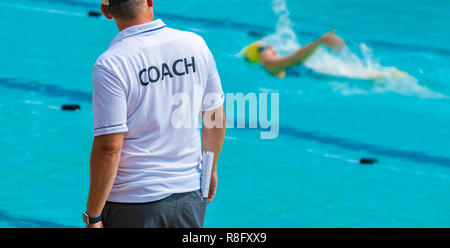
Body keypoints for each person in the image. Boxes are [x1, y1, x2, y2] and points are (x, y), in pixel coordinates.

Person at [84, 0, 226, 228]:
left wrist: (93, 216)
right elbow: (215, 118)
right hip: (189, 194)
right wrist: (210, 170)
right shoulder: (194, 44)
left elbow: (109, 148)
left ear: (106, 12)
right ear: (150, 1)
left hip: (133, 203)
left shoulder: (111, 64)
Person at [244, 29, 345, 78]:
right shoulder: (270, 66)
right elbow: (295, 59)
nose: (271, 47)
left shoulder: (277, 70)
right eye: (263, 48)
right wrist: (319, 42)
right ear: (258, 58)